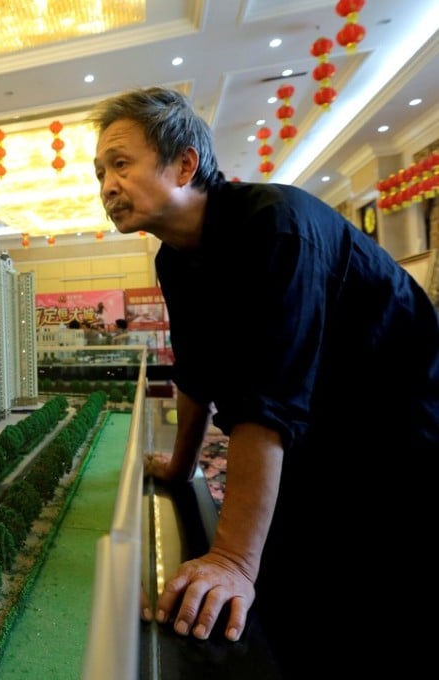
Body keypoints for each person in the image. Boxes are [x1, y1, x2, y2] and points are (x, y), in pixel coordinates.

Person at [90, 87, 439, 673]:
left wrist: (230, 557)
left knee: (383, 606)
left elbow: (266, 400)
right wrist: (180, 466)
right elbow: (197, 372)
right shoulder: (173, 258)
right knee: (289, 595)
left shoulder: (274, 226)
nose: (105, 187)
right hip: (313, 437)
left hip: (399, 439)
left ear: (183, 163)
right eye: (99, 172)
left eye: (120, 164)